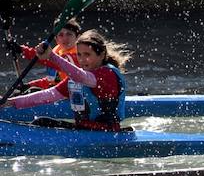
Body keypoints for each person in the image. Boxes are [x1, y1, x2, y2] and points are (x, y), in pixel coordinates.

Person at [2, 29, 130, 131]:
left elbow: (82, 77)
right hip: (85, 130)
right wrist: (10, 102)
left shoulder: (107, 73)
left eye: (87, 55)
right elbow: (49, 95)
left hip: (106, 133)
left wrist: (52, 56)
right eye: (79, 54)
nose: (82, 60)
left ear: (102, 55)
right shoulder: (77, 78)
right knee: (41, 121)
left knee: (41, 123)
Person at [21, 18, 81, 93]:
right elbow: (52, 81)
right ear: (56, 39)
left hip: (74, 96)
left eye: (69, 34)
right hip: (59, 93)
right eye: (61, 35)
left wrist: (23, 50)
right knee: (26, 91)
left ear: (78, 37)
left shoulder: (78, 56)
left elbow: (48, 61)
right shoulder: (57, 52)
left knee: (30, 92)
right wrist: (29, 85)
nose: (65, 38)